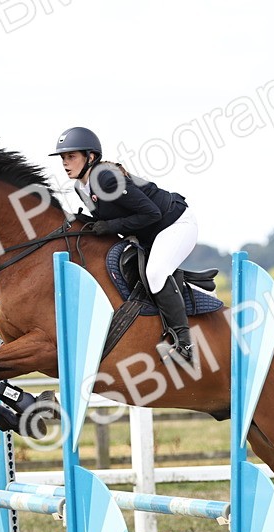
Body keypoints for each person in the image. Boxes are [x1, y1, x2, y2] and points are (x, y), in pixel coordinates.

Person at [50, 126, 197, 363]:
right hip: (148, 232)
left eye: (71, 157)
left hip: (175, 223)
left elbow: (152, 213)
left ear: (90, 157)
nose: (65, 163)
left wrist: (109, 227)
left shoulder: (106, 178)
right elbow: (106, 217)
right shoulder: (81, 186)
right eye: (63, 158)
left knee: (156, 272)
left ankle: (185, 344)